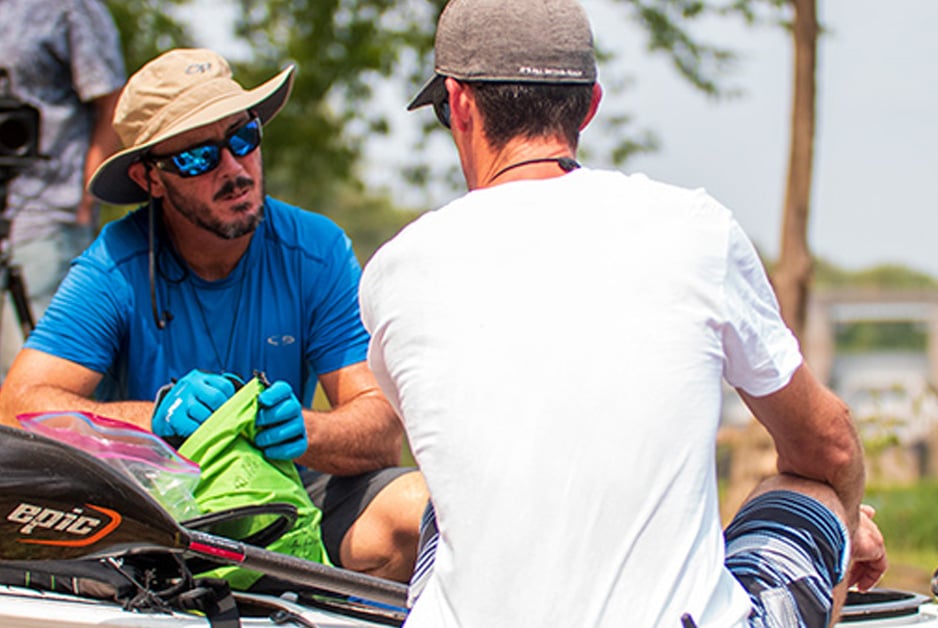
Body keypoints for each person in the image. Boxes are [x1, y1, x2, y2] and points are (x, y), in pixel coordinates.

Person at [359, 0, 888, 625]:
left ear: (461, 105)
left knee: (441, 507)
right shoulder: (696, 230)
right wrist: (848, 523)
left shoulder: (397, 269)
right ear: (589, 105)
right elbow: (828, 444)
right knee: (807, 491)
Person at [0, 48, 427, 584]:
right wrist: (153, 420)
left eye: (242, 138)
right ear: (149, 177)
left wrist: (304, 430)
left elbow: (385, 430)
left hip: (283, 492)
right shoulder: (114, 263)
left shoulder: (316, 250)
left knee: (419, 507)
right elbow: (17, 410)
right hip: (149, 505)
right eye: (198, 156)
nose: (233, 168)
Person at [0, 0, 124, 377]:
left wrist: (85, 200)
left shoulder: (70, 6)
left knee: (40, 383)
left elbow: (113, 103)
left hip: (48, 216)